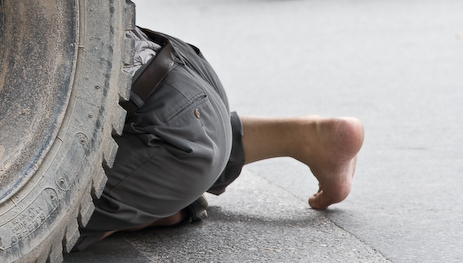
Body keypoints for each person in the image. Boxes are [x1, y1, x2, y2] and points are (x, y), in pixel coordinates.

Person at [75, 27, 364, 250]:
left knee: (46, 225)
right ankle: (302, 137)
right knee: (191, 133)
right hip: (179, 63)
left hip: (170, 139)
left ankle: (161, 205)